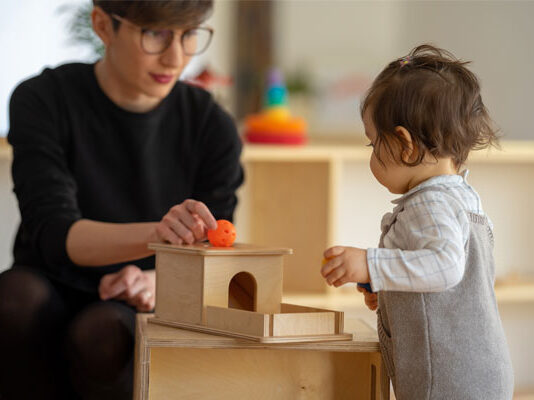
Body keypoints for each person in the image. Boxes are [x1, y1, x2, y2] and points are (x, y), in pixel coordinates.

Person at [0, 1, 243, 399]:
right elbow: (54, 232)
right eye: (156, 34)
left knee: (104, 335)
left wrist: (154, 280)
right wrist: (158, 234)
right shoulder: (43, 99)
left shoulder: (211, 126)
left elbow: (214, 251)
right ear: (102, 25)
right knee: (13, 301)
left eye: (188, 35)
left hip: (141, 295)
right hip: (49, 282)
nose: (175, 56)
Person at [320, 44, 514, 399]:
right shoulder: (460, 196)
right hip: (474, 372)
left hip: (450, 380)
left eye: (373, 143)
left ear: (405, 145)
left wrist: (370, 263)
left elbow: (445, 267)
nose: (372, 154)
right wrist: (389, 288)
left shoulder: (432, 203)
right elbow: (447, 288)